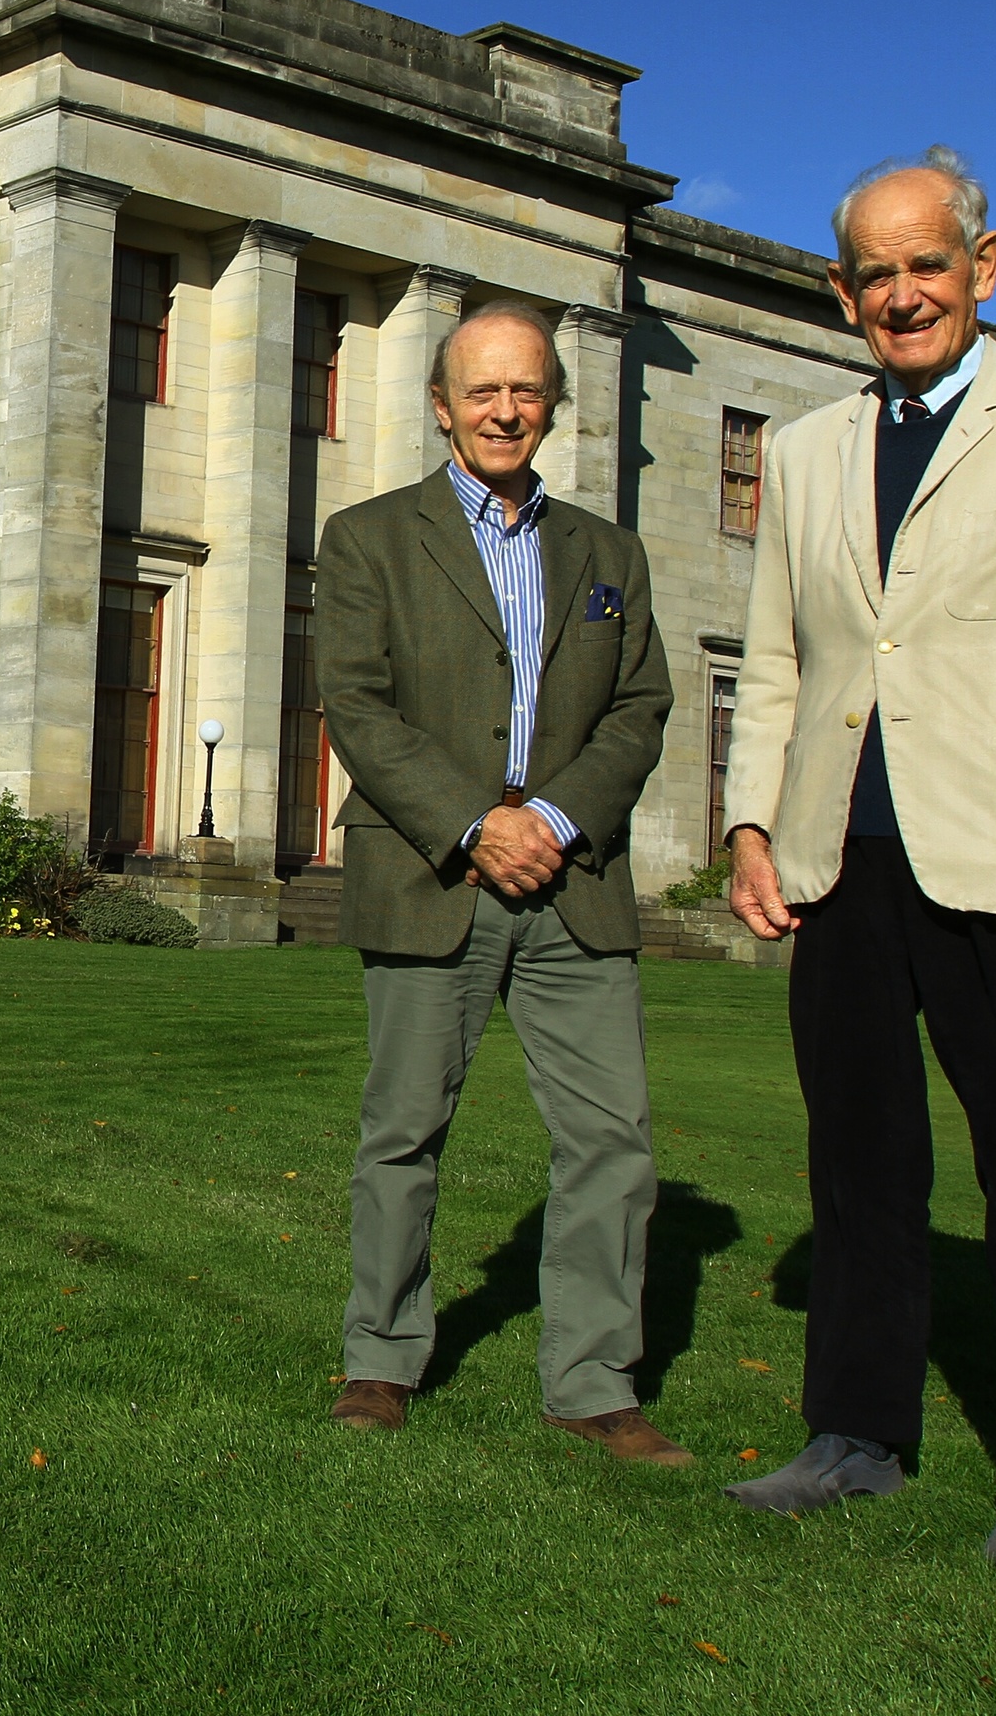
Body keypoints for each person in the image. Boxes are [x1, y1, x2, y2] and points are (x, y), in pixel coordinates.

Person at [721, 147, 996, 1574]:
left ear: (984, 266)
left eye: (931, 264)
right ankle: (854, 1436)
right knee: (859, 1166)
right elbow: (782, 659)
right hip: (840, 862)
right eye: (877, 273)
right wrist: (750, 823)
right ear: (840, 291)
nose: (904, 294)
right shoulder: (803, 451)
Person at [316, 301, 682, 1462]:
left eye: (526, 392)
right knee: (404, 1133)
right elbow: (359, 709)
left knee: (613, 1139)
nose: (506, 411)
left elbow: (640, 708)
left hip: (578, 881)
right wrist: (478, 825)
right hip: (434, 875)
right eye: (482, 392)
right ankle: (380, 1357)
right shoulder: (369, 538)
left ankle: (593, 1382)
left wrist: (555, 820)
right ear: (442, 406)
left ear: (553, 407)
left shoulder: (608, 555)